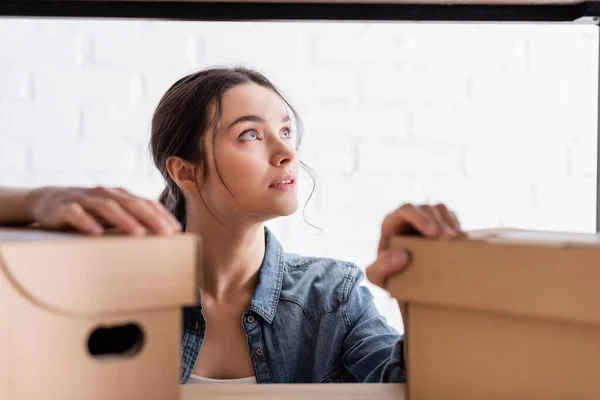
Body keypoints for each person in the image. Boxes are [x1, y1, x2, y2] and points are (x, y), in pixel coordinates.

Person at [0, 66, 464, 384]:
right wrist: (36, 200)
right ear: (184, 171)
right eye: (250, 135)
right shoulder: (113, 293)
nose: (286, 153)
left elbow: (410, 386)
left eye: (285, 131)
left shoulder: (334, 297)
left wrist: (423, 297)